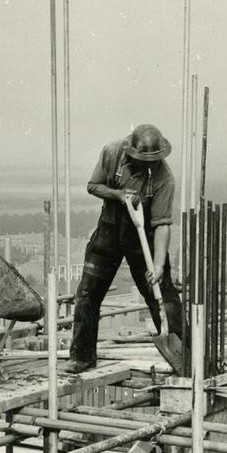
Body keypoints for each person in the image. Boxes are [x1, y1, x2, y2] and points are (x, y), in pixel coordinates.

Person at [65, 124, 185, 374]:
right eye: (143, 160)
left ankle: (185, 355)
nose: (148, 166)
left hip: (144, 237)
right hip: (109, 228)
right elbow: (93, 186)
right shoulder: (112, 152)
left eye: (153, 161)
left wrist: (159, 265)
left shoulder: (164, 179)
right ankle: (82, 356)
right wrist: (119, 195)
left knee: (163, 295)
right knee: (88, 293)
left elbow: (162, 225)